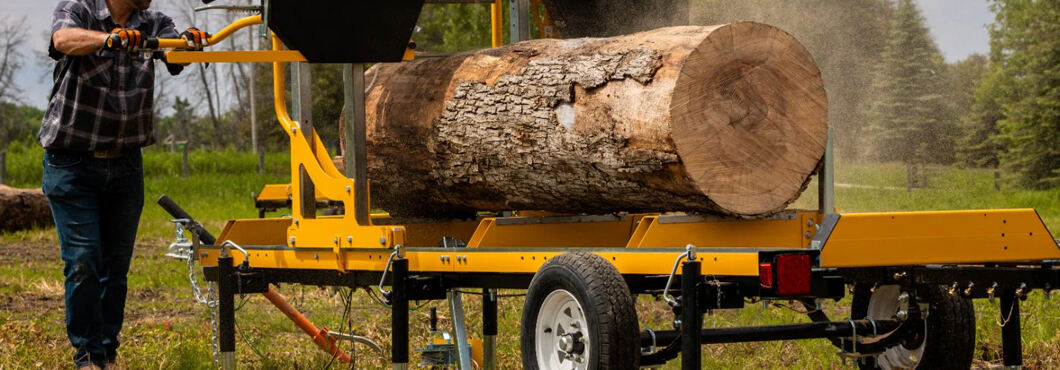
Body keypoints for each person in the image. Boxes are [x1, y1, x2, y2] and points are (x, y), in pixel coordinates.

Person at [43, 0, 208, 368]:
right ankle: (87, 356)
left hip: (125, 166)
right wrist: (109, 39)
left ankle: (106, 353)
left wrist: (189, 44)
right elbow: (62, 38)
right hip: (72, 161)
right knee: (84, 261)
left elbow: (176, 55)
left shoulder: (154, 22)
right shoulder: (79, 9)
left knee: (115, 269)